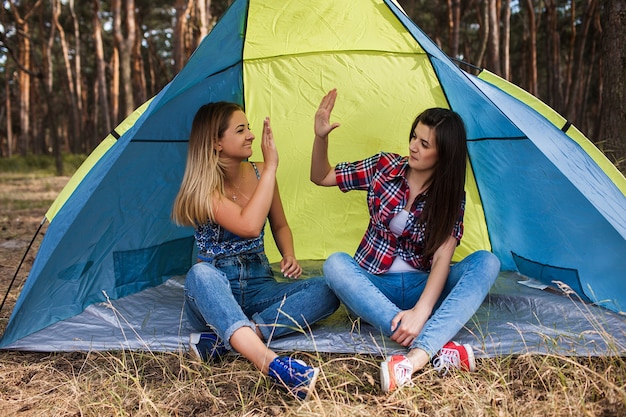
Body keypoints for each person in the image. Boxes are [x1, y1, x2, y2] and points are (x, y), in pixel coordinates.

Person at [310, 89, 500, 393]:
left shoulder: (451, 197)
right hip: (374, 288)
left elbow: (442, 259)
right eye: (414, 136)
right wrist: (321, 137)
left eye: (424, 144)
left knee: (487, 262)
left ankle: (414, 358)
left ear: (444, 154)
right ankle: (437, 348)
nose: (413, 146)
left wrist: (421, 312)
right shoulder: (383, 167)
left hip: (422, 289)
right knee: (335, 265)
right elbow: (321, 176)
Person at [172, 101, 340, 400]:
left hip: (260, 285)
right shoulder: (203, 190)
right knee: (200, 274)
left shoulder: (262, 173)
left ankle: (235, 337)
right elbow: (248, 226)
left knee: (329, 289)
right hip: (215, 295)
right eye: (241, 130)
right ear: (216, 143)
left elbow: (280, 225)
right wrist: (274, 165)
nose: (251, 135)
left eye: (248, 127)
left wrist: (288, 254)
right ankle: (274, 365)